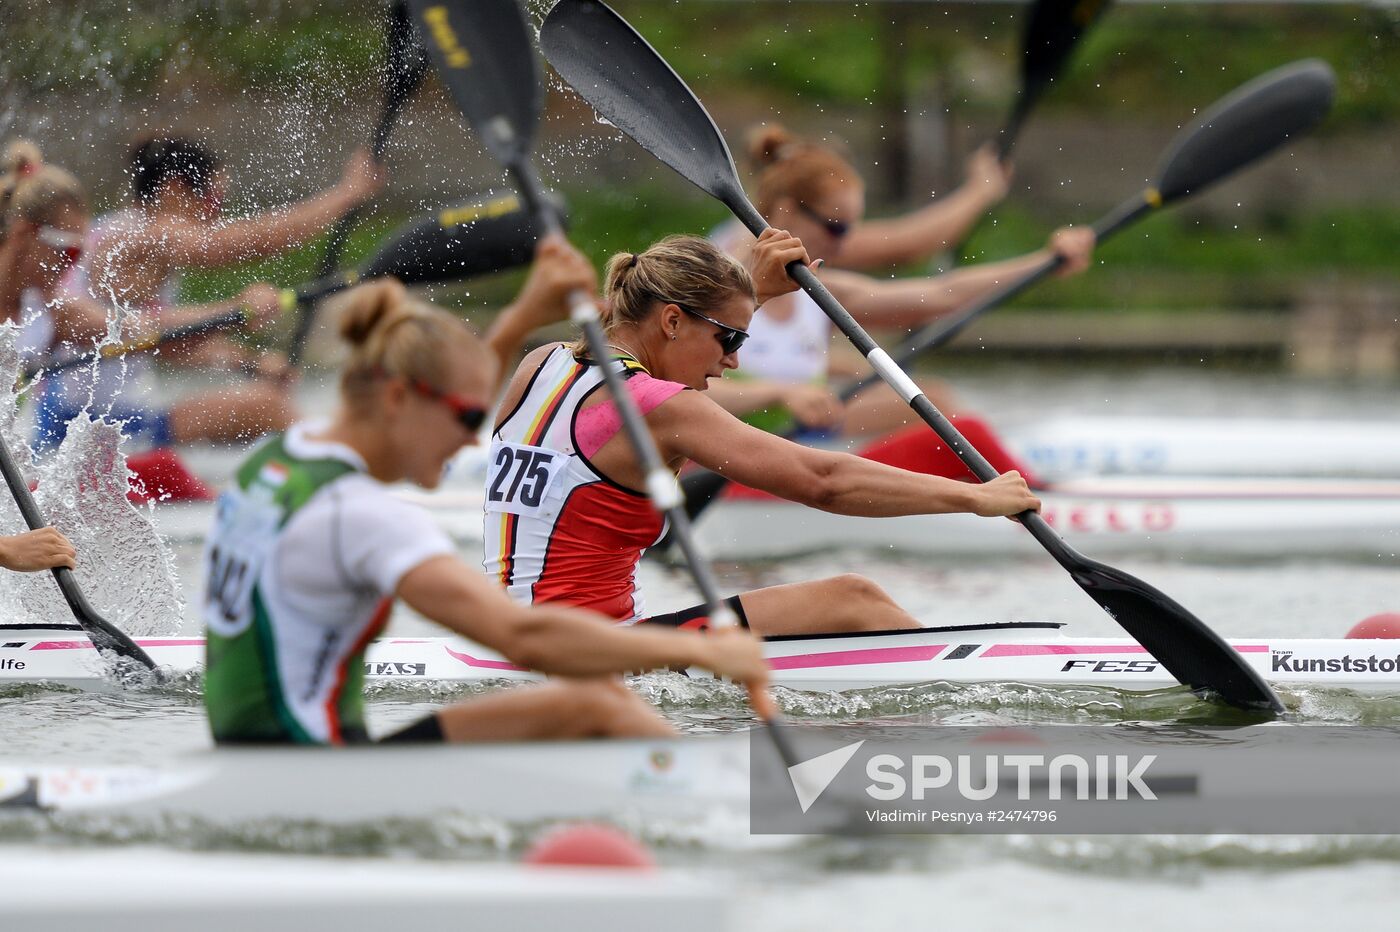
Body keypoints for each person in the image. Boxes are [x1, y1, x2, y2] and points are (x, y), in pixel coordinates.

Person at [202, 238, 773, 745]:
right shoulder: (365, 518)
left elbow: (478, 367)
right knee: (598, 705)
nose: (471, 444)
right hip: (311, 769)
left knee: (592, 703)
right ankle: (732, 809)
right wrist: (697, 650)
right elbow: (523, 636)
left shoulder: (279, 459)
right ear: (400, 399)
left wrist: (525, 312)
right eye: (468, 417)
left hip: (247, 742)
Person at [484, 232, 1041, 637]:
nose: (732, 361)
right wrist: (975, 496)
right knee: (854, 600)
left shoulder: (544, 362)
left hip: (508, 633)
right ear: (672, 321)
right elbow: (821, 479)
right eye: (730, 340)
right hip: (588, 651)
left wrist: (750, 293)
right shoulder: (662, 409)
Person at [710, 125, 1095, 441]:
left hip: (798, 442)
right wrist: (780, 393)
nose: (844, 245)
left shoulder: (817, 285)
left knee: (936, 403)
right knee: (940, 408)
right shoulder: (716, 277)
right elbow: (677, 389)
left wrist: (1045, 262)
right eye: (836, 227)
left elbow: (940, 295)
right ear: (786, 210)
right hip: (726, 449)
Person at [0, 141, 287, 452]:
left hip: (58, 447)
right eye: (69, 251)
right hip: (58, 430)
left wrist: (234, 313)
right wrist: (342, 198)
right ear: (23, 234)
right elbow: (219, 246)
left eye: (81, 253)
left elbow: (150, 329)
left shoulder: (54, 309)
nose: (74, 265)